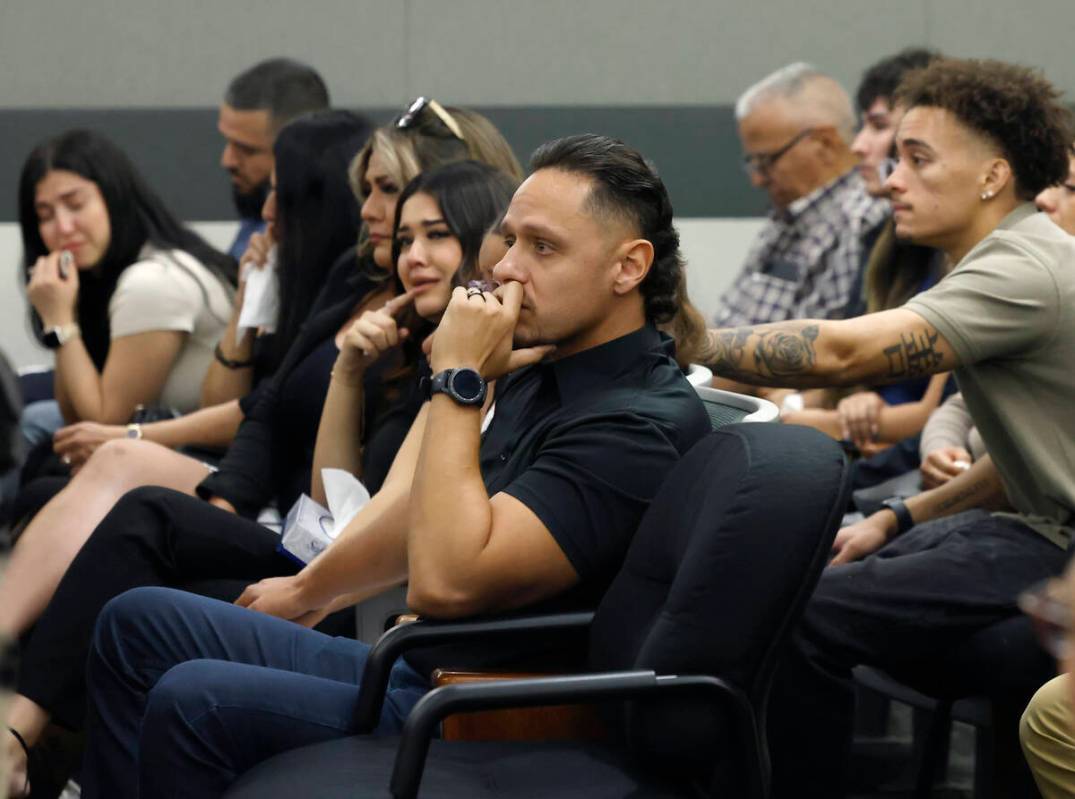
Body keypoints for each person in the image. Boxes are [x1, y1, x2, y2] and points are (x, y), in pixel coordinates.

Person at [77, 133, 709, 798]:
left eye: (542, 247)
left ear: (627, 267)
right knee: (135, 620)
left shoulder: (636, 423)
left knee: (192, 695)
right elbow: (421, 506)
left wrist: (460, 380)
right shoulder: (545, 360)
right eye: (510, 239)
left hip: (481, 704)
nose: (507, 268)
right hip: (417, 664)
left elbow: (446, 582)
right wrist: (309, 589)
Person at [3, 106, 523, 798]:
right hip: (331, 551)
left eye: (427, 230)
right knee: (92, 524)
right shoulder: (393, 313)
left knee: (137, 523)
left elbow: (402, 539)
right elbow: (328, 480)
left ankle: (25, 736)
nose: (405, 249)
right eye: (403, 234)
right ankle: (37, 742)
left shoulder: (467, 361)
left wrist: (305, 584)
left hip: (373, 606)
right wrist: (338, 368)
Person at [695, 57, 1074, 796]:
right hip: (1031, 528)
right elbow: (1029, 457)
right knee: (812, 579)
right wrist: (899, 517)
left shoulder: (1023, 268)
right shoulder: (1006, 258)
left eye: (916, 158)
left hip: (1052, 546)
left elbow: (842, 351)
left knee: (797, 619)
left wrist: (683, 341)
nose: (891, 178)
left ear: (993, 176)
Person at [781, 48, 951, 454]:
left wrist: (807, 416)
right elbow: (855, 368)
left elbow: (936, 413)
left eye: (877, 127)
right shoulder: (888, 240)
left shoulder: (972, 254)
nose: (857, 146)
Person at [19, 130, 236, 428]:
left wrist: (58, 321)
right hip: (144, 437)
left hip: (199, 453)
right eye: (45, 216)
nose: (63, 227)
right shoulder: (102, 276)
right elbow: (75, 416)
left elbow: (105, 425)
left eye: (76, 204)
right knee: (34, 419)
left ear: (114, 197)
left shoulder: (153, 282)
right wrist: (61, 314)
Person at [712, 62, 889, 330]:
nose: (757, 179)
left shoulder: (860, 223)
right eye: (754, 164)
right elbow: (727, 321)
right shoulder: (786, 217)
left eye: (766, 161)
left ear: (825, 143)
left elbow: (820, 357)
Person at [218, 58, 331, 259]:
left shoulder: (316, 247)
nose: (227, 161)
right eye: (228, 142)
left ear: (302, 149)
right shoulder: (256, 209)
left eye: (247, 150)